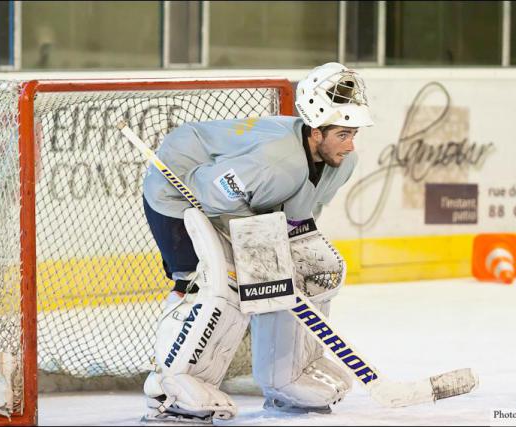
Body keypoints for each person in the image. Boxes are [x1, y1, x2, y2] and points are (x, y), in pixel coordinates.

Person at [141, 62, 374, 423]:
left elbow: (299, 214)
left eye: (353, 134)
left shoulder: (342, 161)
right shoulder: (275, 163)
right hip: (178, 187)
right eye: (343, 135)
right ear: (316, 132)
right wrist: (255, 244)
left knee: (305, 269)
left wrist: (277, 252)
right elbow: (209, 190)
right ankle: (170, 387)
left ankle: (287, 377)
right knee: (216, 282)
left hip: (230, 195)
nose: (350, 145)